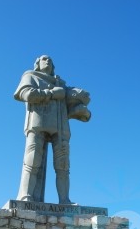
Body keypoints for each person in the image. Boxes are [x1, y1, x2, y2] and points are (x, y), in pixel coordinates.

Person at [14, 55, 90, 204]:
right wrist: (52, 93)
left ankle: (64, 200)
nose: (48, 61)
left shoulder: (60, 84)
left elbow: (68, 105)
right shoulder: (30, 76)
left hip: (60, 127)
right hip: (37, 123)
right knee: (32, 159)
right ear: (37, 64)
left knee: (63, 165)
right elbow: (27, 94)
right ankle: (25, 196)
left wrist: (80, 108)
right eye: (44, 59)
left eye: (50, 60)